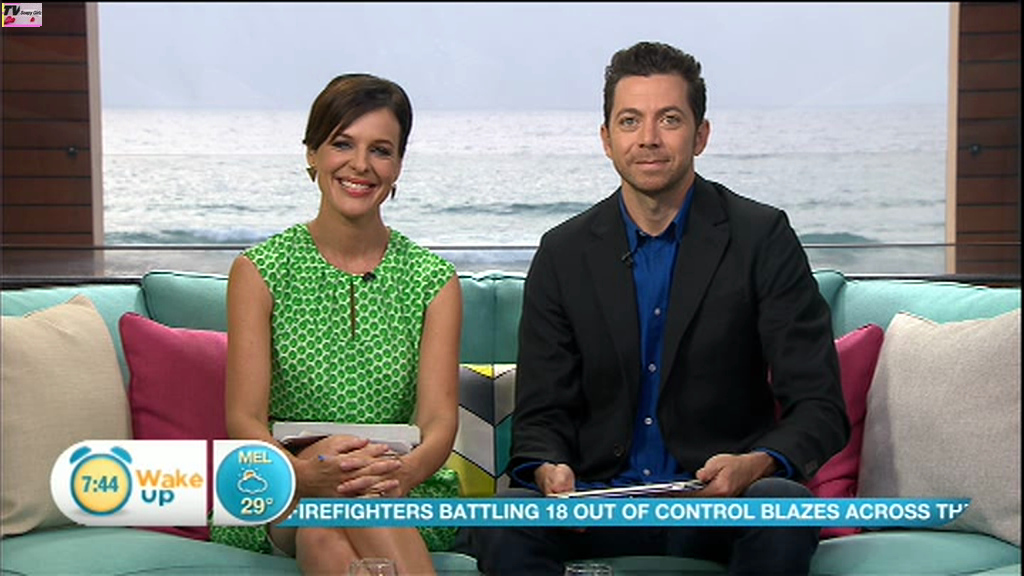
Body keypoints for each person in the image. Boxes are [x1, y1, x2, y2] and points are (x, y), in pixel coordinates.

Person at [457, 41, 849, 575]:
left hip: (720, 504)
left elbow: (819, 405)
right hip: (595, 505)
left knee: (783, 507)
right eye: (630, 121)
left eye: (669, 119)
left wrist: (754, 465)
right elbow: (541, 413)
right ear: (606, 139)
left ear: (700, 134)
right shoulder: (564, 253)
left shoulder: (761, 237)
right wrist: (548, 468)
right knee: (505, 519)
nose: (648, 138)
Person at [215, 73, 462, 575]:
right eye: (342, 144)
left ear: (397, 165)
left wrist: (403, 472)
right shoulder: (260, 271)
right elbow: (244, 419)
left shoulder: (433, 281)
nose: (360, 165)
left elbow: (439, 421)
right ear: (312, 154)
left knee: (327, 525)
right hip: (285, 484)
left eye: (381, 150)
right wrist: (304, 475)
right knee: (336, 498)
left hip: (396, 484)